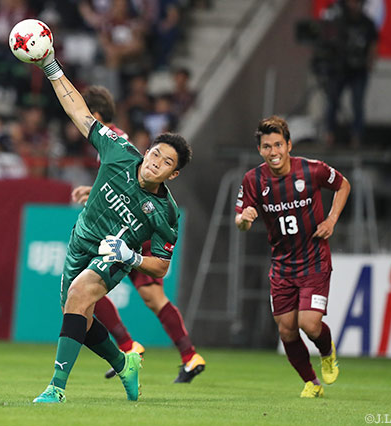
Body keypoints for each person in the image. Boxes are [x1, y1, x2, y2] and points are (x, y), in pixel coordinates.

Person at [18, 47, 192, 404]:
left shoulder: (166, 212)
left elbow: (162, 265)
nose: (156, 162)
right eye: (155, 153)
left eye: (166, 163)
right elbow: (79, 113)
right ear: (147, 150)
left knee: (80, 295)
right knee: (76, 314)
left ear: (173, 174)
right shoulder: (118, 151)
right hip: (80, 240)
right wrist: (50, 66)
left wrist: (131, 257)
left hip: (112, 256)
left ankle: (56, 388)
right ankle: (124, 362)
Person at [72, 85, 205, 383]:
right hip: (134, 228)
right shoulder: (117, 137)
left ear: (95, 115)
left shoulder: (113, 139)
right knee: (152, 297)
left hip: (131, 230)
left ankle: (129, 346)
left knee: (84, 286)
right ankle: (189, 355)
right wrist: (94, 190)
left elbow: (132, 184)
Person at [234, 115, 351, 398]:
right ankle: (311, 382)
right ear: (260, 150)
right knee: (287, 331)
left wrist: (331, 220)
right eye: (266, 147)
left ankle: (327, 352)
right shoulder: (253, 180)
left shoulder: (312, 169)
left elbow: (343, 185)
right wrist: (245, 219)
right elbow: (240, 221)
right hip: (282, 266)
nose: (273, 152)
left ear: (289, 145)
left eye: (278, 145)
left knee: (308, 324)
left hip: (314, 261)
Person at [319, 0, 378, 147]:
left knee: (357, 103)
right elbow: (329, 41)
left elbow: (373, 43)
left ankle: (356, 136)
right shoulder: (340, 21)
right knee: (332, 101)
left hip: (359, 70)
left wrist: (370, 61)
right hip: (340, 69)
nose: (354, 5)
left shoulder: (367, 23)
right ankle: (329, 134)